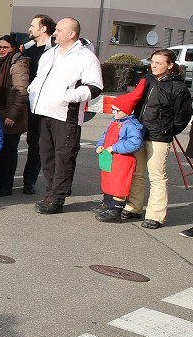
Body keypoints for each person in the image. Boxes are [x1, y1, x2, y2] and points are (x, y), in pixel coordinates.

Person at [27, 17, 103, 214]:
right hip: (43, 111)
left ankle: (57, 198)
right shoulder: (49, 54)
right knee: (46, 156)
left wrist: (68, 96)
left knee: (64, 157)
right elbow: (39, 78)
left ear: (72, 34)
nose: (55, 33)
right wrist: (32, 89)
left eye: (60, 30)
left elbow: (95, 87)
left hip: (65, 115)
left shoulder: (86, 58)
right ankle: (52, 190)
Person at [122, 49, 193, 228]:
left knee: (157, 176)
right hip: (138, 133)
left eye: (159, 63)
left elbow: (182, 117)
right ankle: (133, 207)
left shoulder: (178, 88)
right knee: (137, 173)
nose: (154, 66)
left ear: (170, 65)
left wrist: (167, 131)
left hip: (159, 136)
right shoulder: (146, 80)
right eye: (153, 61)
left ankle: (155, 215)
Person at [94, 81, 146, 222]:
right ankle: (108, 204)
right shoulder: (115, 122)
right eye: (113, 109)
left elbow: (134, 143)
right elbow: (104, 136)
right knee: (108, 180)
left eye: (117, 110)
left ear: (127, 111)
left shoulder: (131, 126)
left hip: (122, 159)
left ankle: (115, 209)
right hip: (109, 157)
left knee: (118, 184)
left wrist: (115, 147)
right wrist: (100, 145)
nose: (114, 112)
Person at [0, 35, 29, 196]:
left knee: (8, 153)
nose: (1, 50)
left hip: (11, 116)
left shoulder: (18, 65)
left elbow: (21, 93)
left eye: (5, 47)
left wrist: (12, 116)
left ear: (13, 48)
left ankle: (6, 185)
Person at [20, 14, 55, 195]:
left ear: (43, 28)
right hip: (21, 102)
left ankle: (29, 180)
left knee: (35, 144)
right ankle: (1, 176)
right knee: (8, 140)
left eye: (33, 25)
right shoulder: (26, 49)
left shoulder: (54, 51)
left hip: (40, 104)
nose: (29, 29)